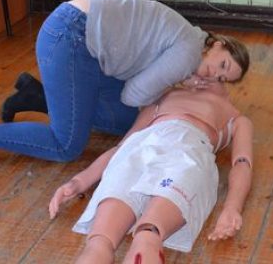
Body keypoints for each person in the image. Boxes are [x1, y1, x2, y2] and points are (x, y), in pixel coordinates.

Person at [0, 0, 250, 164]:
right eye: (222, 64)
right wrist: (170, 86)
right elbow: (134, 94)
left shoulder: (189, 39)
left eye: (224, 77)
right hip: (71, 39)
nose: (215, 74)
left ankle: (38, 96)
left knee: (124, 122)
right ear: (217, 44)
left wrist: (177, 80)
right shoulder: (188, 53)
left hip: (73, 31)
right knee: (66, 146)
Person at [48, 80, 253, 264]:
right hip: (141, 147)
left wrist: (232, 207)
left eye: (222, 76)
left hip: (189, 153)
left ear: (230, 88)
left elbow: (242, 163)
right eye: (208, 67)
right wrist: (80, 181)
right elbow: (122, 146)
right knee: (99, 241)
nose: (211, 75)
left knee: (148, 235)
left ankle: (147, 240)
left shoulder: (235, 117)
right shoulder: (162, 98)